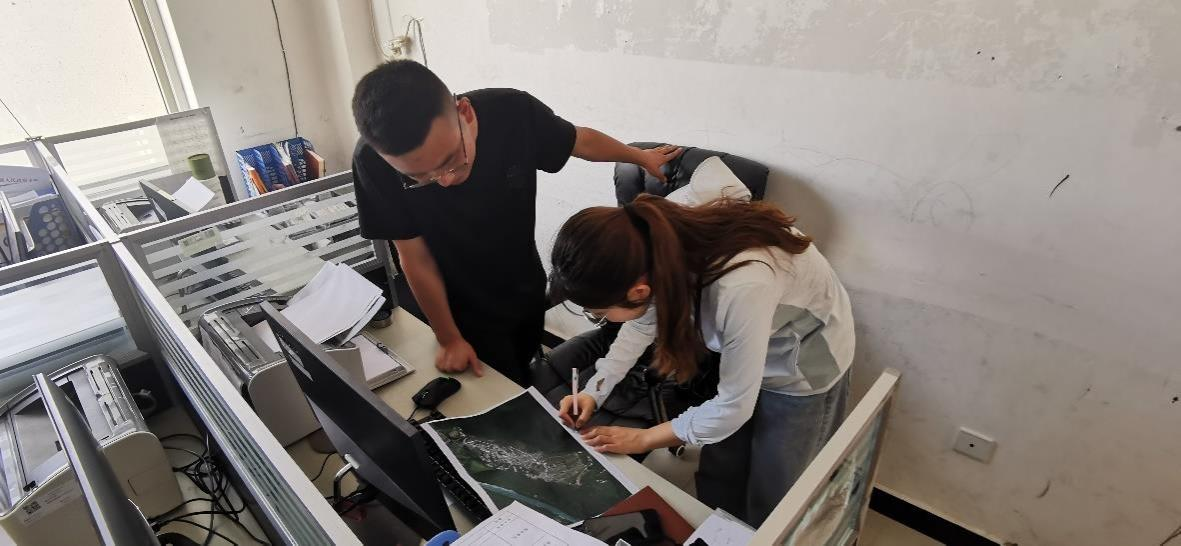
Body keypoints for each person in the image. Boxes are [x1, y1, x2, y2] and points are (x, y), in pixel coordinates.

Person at [350, 60, 682, 385]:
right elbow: (414, 257)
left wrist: (641, 156)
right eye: (419, 177)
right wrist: (448, 337)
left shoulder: (512, 112)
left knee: (521, 373)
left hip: (519, 284)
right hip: (444, 301)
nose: (445, 180)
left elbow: (579, 141)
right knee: (477, 390)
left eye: (451, 159)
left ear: (465, 113)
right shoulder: (371, 162)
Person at [550, 195, 855, 526]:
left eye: (598, 313)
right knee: (720, 468)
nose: (601, 318)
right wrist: (593, 391)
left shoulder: (741, 285)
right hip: (750, 347)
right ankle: (720, 532)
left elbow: (732, 409)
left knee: (774, 490)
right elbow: (640, 325)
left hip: (804, 366)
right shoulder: (648, 248)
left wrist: (644, 438)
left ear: (638, 291)